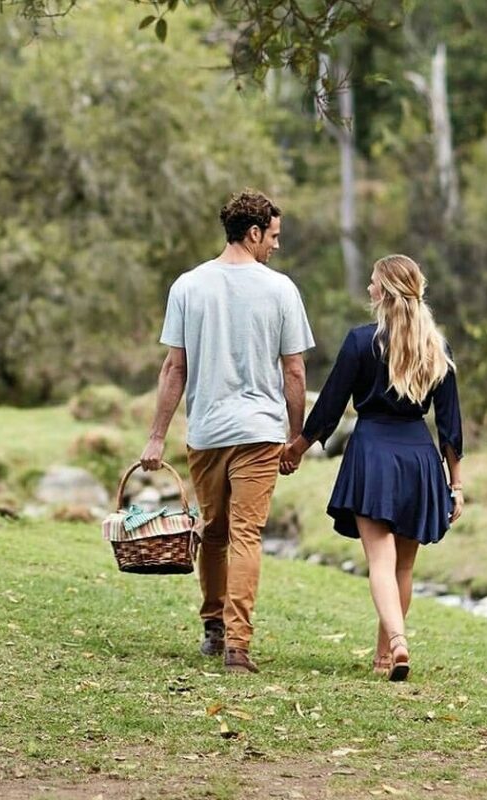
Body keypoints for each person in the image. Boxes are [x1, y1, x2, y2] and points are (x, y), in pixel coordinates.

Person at [140, 189, 315, 674]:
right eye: (273, 236)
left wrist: (157, 436)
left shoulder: (188, 286)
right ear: (253, 232)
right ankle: (238, 647)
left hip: (208, 431)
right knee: (244, 536)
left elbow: (174, 368)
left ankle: (215, 628)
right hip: (260, 430)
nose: (276, 246)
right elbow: (295, 371)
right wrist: (294, 437)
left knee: (214, 534)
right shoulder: (281, 290)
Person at [281, 254, 463, 681]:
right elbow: (451, 425)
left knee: (380, 563)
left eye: (372, 282)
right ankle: (385, 655)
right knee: (402, 567)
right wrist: (456, 485)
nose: (368, 288)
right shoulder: (437, 348)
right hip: (419, 459)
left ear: (385, 290)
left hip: (373, 455)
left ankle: (397, 643)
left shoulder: (361, 342)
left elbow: (330, 405)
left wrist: (299, 447)